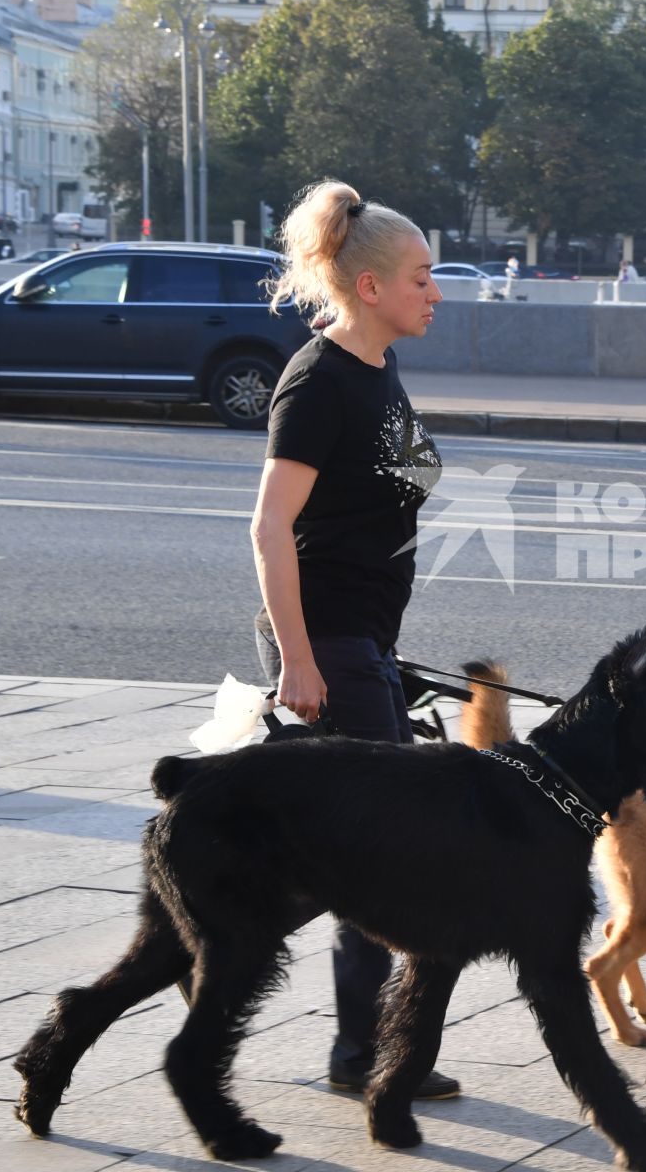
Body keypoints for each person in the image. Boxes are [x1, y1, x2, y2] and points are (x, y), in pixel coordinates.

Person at [249, 179, 456, 1100]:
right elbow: (269, 529)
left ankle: (209, 932)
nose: (435, 292)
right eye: (421, 277)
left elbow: (373, 509)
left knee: (350, 853)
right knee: (386, 855)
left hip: (360, 638)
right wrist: (302, 658)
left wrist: (378, 649)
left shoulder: (378, 368)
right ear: (368, 288)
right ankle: (366, 1058)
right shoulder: (319, 382)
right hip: (325, 639)